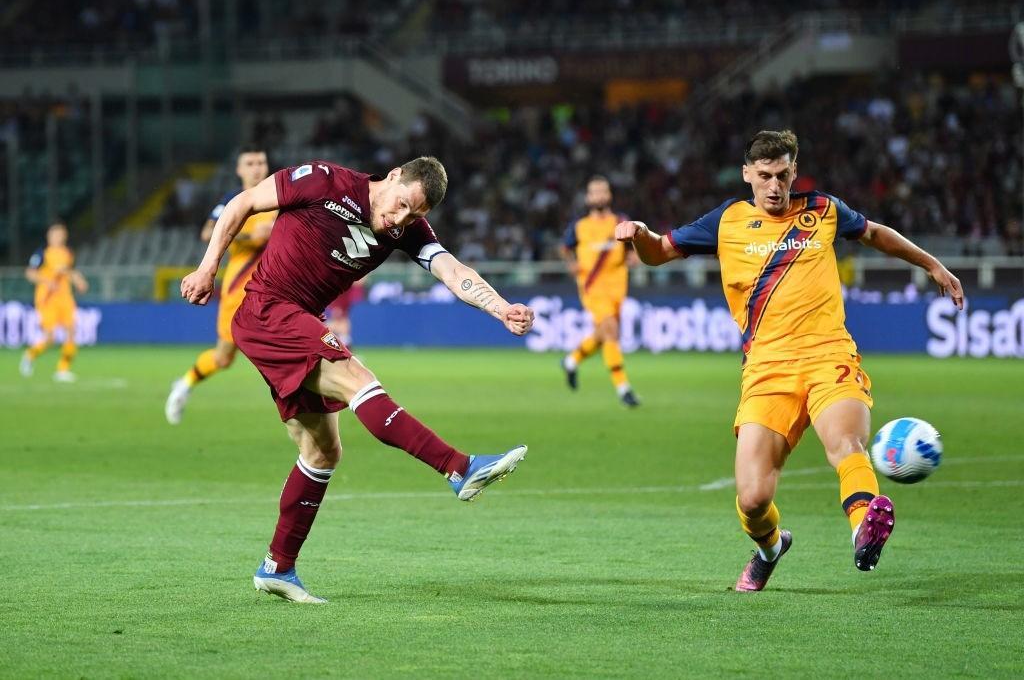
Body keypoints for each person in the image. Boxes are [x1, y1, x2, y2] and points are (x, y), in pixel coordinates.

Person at [615, 130, 964, 592]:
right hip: (767, 369)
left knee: (846, 444)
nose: (774, 186)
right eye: (764, 176)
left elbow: (875, 234)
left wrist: (931, 264)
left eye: (782, 175)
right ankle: (770, 548)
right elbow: (658, 253)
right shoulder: (727, 221)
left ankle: (864, 528)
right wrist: (639, 234)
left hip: (829, 354)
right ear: (747, 175)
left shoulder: (823, 210)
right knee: (754, 497)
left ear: (794, 171)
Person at [180, 156, 534, 603]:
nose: (400, 218)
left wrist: (499, 307)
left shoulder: (406, 230)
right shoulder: (323, 181)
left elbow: (453, 271)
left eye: (415, 215)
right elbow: (243, 204)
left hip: (297, 320)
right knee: (358, 379)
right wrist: (208, 266)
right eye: (402, 204)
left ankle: (278, 567)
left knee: (322, 451)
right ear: (391, 178)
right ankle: (459, 468)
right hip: (268, 309)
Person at [165, 146, 277, 424]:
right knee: (224, 357)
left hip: (276, 287)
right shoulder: (233, 200)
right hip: (239, 288)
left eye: (260, 162)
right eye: (249, 163)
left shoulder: (280, 195)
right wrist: (250, 235)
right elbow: (207, 232)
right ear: (239, 170)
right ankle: (185, 383)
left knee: (286, 344)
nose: (256, 168)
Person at [558, 176, 640, 407]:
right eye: (595, 192)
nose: (599, 196)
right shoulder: (579, 226)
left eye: (603, 191)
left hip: (617, 286)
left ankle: (571, 361)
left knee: (604, 333)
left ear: (609, 195)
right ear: (588, 197)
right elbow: (564, 249)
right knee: (611, 331)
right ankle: (624, 389)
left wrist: (635, 256)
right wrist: (571, 263)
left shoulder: (620, 221)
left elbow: (633, 246)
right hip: (592, 287)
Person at [20, 221, 88, 382]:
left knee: (71, 331)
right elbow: (30, 273)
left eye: (60, 234)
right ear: (49, 236)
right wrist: (46, 281)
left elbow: (68, 271)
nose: (58, 237)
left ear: (64, 236)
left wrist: (78, 279)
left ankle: (63, 370)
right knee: (50, 337)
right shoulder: (42, 253)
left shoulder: (68, 253)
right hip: (47, 298)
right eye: (55, 234)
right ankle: (30, 355)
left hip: (65, 297)